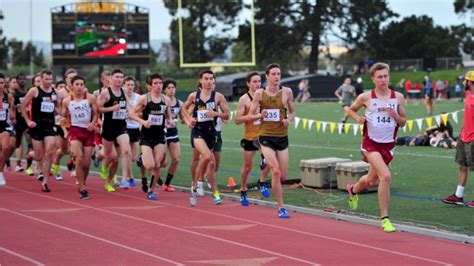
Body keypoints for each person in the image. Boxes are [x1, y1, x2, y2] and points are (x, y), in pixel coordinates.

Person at [346, 62, 407, 232]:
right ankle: (385, 218)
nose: (383, 79)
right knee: (386, 177)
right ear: (373, 79)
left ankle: (353, 189)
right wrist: (357, 118)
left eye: (385, 76)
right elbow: (350, 110)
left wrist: (395, 115)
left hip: (388, 146)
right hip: (371, 144)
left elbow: (403, 122)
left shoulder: (398, 97)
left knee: (370, 180)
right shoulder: (366, 97)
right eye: (379, 77)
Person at [244, 63, 296, 218]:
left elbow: (293, 112)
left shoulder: (287, 92)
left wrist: (288, 119)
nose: (276, 76)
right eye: (273, 74)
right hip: (265, 137)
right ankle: (281, 207)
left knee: (283, 176)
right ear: (267, 76)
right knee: (276, 171)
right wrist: (260, 115)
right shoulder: (260, 94)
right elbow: (250, 115)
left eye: (278, 74)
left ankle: (266, 161)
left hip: (282, 137)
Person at [181, 69, 230, 206]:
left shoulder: (218, 97)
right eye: (206, 79)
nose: (209, 81)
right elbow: (184, 109)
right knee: (206, 157)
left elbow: (228, 116)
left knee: (213, 164)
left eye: (211, 79)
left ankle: (214, 192)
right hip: (197, 132)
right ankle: (198, 182)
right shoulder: (194, 96)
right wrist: (189, 120)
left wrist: (216, 114)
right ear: (200, 81)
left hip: (211, 133)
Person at [128, 73, 175, 200]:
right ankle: (141, 158)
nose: (158, 86)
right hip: (146, 135)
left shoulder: (166, 100)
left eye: (160, 83)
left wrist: (170, 120)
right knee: (149, 165)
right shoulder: (144, 99)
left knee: (157, 165)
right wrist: (143, 122)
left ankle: (151, 190)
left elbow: (168, 114)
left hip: (160, 135)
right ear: (149, 86)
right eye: (155, 83)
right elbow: (131, 114)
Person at [235, 71, 271, 206]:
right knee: (247, 167)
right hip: (250, 137)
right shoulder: (244, 99)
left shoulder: (265, 95)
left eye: (259, 81)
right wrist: (255, 116)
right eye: (254, 82)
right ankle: (243, 190)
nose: (257, 84)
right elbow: (238, 120)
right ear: (248, 84)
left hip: (265, 135)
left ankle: (262, 181)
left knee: (272, 161)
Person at [20, 69, 59, 192]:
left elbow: (57, 106)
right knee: (39, 155)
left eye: (50, 79)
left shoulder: (54, 91)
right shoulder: (34, 90)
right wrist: (28, 121)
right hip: (36, 126)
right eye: (46, 79)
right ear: (41, 79)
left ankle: (45, 182)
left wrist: (60, 115)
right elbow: (22, 106)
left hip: (49, 125)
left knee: (49, 153)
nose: (48, 82)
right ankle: (31, 154)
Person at [61, 75, 98, 199]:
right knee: (79, 158)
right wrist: (62, 119)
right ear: (72, 86)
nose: (79, 87)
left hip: (88, 132)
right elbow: (63, 115)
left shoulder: (90, 98)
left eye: (81, 84)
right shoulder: (67, 100)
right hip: (75, 131)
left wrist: (93, 124)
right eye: (77, 84)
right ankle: (82, 188)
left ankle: (82, 181)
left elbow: (96, 113)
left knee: (86, 164)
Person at [97, 69, 132, 192]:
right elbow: (98, 109)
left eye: (121, 77)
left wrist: (128, 111)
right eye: (117, 77)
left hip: (121, 127)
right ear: (111, 78)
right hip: (108, 128)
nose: (119, 79)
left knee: (125, 152)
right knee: (112, 157)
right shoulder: (105, 93)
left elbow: (126, 106)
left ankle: (116, 181)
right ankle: (104, 165)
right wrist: (112, 108)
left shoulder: (124, 92)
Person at [442, 71, 474, 207]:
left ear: (470, 82)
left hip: (473, 139)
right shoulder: (467, 94)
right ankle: (458, 196)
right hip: (463, 137)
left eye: (465, 80)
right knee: (462, 166)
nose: (463, 83)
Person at [162, 78, 183, 192]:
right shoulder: (161, 101)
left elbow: (184, 118)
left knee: (176, 160)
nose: (171, 90)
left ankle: (167, 184)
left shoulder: (179, 103)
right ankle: (153, 174)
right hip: (161, 132)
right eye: (169, 88)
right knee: (162, 162)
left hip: (173, 133)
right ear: (165, 90)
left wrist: (189, 121)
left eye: (173, 88)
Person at [124, 76, 140, 187]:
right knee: (127, 153)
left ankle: (129, 176)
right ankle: (130, 177)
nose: (130, 87)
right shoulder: (122, 97)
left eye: (131, 85)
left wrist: (133, 115)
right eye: (128, 85)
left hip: (136, 128)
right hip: (125, 128)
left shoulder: (139, 97)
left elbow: (142, 112)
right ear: (124, 85)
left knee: (133, 157)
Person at [0, 73, 15, 185]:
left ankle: (0, 172)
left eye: (2, 83)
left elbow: (11, 110)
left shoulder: (8, 96)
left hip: (2, 125)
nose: (1, 85)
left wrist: (11, 114)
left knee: (6, 147)